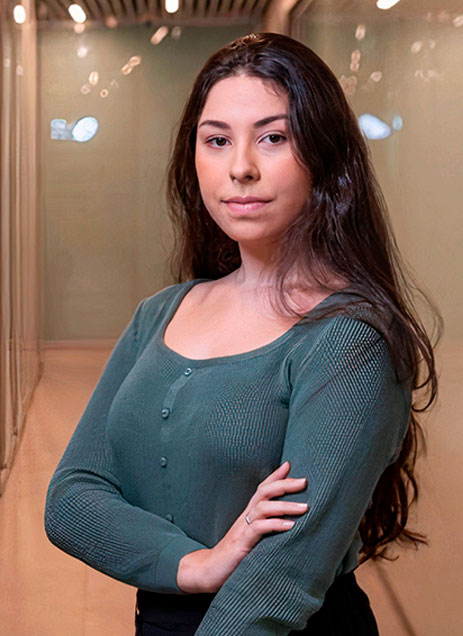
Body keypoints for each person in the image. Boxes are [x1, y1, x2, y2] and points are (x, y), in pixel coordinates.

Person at [43, 31, 442, 635]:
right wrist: (194, 565)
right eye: (217, 140)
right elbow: (71, 499)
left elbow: (278, 582)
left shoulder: (348, 339)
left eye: (273, 137)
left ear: (325, 156)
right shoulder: (161, 313)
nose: (241, 167)